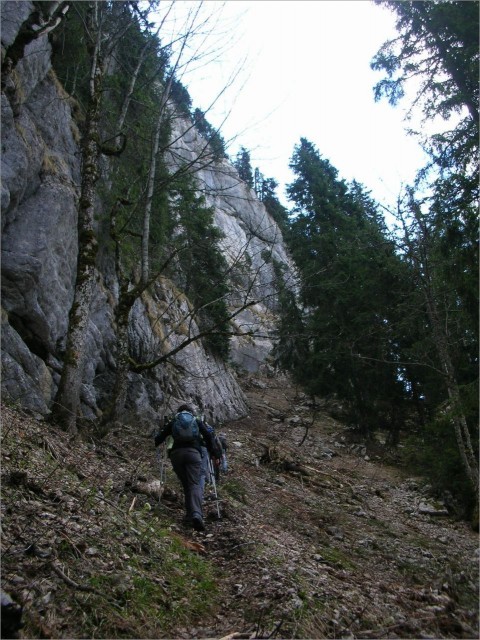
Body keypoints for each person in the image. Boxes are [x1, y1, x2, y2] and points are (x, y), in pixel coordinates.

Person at [155, 404, 217, 532]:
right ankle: (196, 514)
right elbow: (208, 436)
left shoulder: (175, 421)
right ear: (191, 412)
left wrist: (156, 441)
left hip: (176, 455)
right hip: (193, 454)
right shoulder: (196, 420)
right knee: (194, 484)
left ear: (179, 412)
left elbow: (160, 438)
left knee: (186, 485)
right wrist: (213, 452)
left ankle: (189, 516)